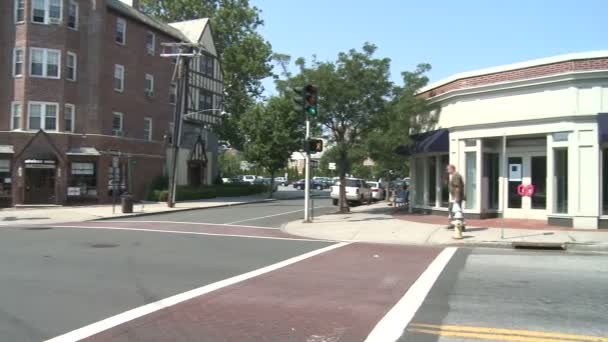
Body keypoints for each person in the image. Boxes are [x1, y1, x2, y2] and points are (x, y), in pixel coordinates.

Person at [446, 164, 465, 230]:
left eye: (448, 169)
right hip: (455, 196)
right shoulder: (454, 175)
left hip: (457, 197)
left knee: (457, 211)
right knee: (451, 209)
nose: (447, 171)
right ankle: (452, 223)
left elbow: (457, 187)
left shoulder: (456, 176)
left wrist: (457, 197)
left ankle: (461, 226)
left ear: (452, 169)